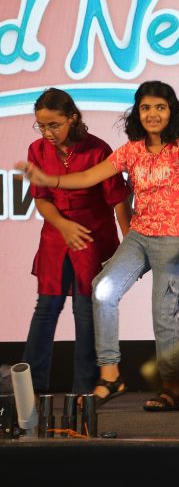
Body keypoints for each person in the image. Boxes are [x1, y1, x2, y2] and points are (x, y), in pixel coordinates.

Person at [19, 81, 179, 412]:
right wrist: (50, 181)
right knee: (103, 290)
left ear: (172, 112)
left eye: (160, 107)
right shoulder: (130, 150)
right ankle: (110, 375)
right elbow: (87, 177)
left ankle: (169, 386)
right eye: (145, 108)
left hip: (175, 238)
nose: (152, 114)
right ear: (137, 113)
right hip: (139, 235)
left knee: (163, 312)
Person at [21, 88, 131, 395]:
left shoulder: (97, 149)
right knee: (47, 306)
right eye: (42, 126)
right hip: (56, 236)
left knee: (85, 311)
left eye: (54, 125)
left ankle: (84, 389)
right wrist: (63, 225)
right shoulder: (37, 150)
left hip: (92, 236)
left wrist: (131, 245)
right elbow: (41, 198)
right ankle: (30, 387)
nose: (47, 132)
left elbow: (118, 199)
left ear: (72, 118)